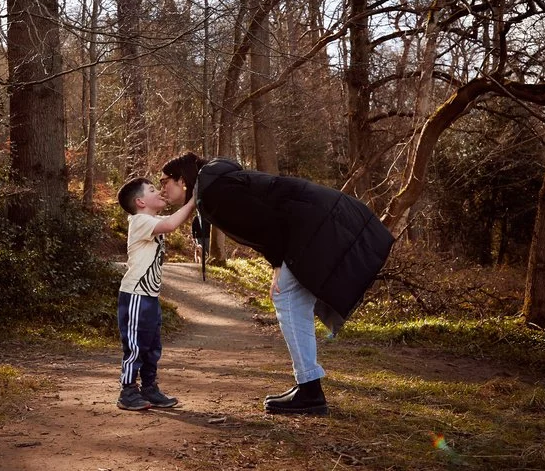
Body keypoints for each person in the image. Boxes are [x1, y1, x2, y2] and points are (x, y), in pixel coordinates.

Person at [160, 153, 394, 416]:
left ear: (181, 180)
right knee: (295, 300)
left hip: (316, 224)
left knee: (286, 297)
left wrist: (276, 265)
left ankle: (310, 389)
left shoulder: (215, 191)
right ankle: (308, 385)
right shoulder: (214, 184)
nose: (162, 189)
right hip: (321, 220)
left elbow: (267, 222)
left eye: (164, 181)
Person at [115, 176, 196, 411]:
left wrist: (192, 198)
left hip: (150, 296)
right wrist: (192, 200)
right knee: (136, 345)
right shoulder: (139, 221)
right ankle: (127, 391)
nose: (159, 191)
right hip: (135, 295)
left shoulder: (152, 219)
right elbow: (171, 224)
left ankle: (149, 387)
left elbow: (176, 219)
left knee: (152, 345)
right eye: (152, 189)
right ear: (140, 202)